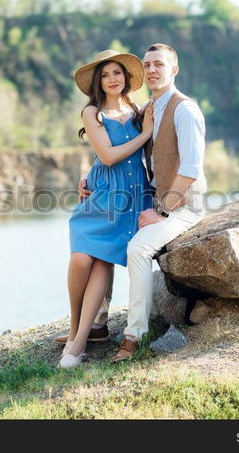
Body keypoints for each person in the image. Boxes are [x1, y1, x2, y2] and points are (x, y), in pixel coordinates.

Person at [72, 43, 207, 363]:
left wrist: (162, 210)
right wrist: (88, 179)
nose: (152, 70)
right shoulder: (146, 110)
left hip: (183, 204)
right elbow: (117, 153)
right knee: (99, 245)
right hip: (147, 197)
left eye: (159, 64)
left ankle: (134, 335)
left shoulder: (185, 109)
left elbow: (191, 169)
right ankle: (95, 324)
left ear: (174, 70)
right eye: (147, 65)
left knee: (137, 249)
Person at [59, 49, 155, 369]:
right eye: (105, 75)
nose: (112, 79)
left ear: (126, 78)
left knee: (101, 263)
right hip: (102, 196)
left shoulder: (138, 109)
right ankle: (75, 330)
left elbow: (142, 156)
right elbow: (110, 156)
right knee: (80, 259)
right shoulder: (93, 112)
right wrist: (143, 134)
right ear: (98, 83)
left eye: (117, 73)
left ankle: (79, 342)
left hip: (131, 198)